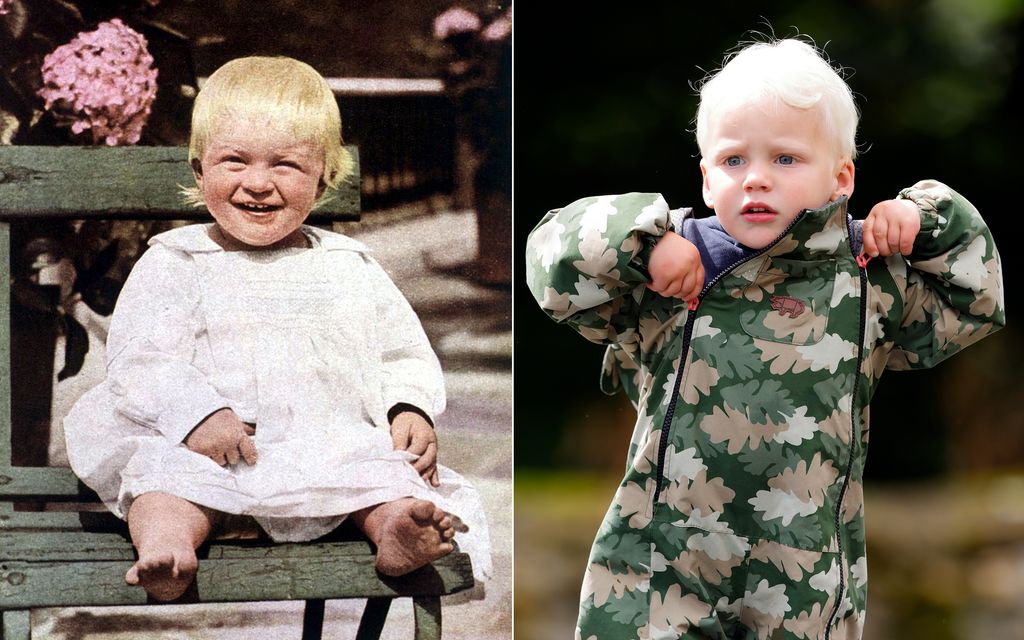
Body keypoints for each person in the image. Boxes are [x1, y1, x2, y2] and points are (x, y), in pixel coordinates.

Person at [525, 37, 1004, 639]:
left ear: (841, 178)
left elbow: (977, 302)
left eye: (785, 159)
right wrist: (639, 243)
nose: (755, 180)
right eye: (733, 161)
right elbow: (550, 262)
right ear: (705, 179)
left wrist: (928, 221)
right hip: (658, 569)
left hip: (804, 575)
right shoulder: (668, 268)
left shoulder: (867, 274)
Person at [64, 55, 490, 602]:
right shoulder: (178, 260)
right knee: (159, 481)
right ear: (200, 171)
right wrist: (195, 413)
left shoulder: (347, 264)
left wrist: (407, 406)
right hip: (207, 453)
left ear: (325, 176)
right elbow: (140, 359)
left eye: (285, 165)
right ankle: (167, 547)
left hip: (324, 447)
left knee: (384, 477)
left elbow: (399, 351)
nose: (258, 184)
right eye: (234, 162)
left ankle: (396, 530)